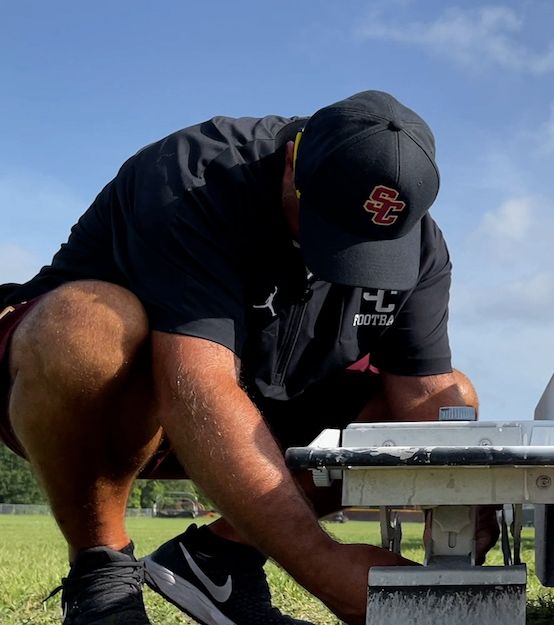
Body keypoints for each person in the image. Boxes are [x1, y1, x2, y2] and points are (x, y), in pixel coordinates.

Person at [0, 90, 489, 625]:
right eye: (328, 228)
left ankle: (219, 561)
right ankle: (102, 572)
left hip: (258, 402)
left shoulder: (421, 245)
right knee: (90, 329)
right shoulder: (195, 177)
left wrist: (470, 489)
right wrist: (327, 567)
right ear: (290, 164)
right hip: (98, 402)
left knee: (450, 402)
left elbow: (422, 393)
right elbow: (197, 390)